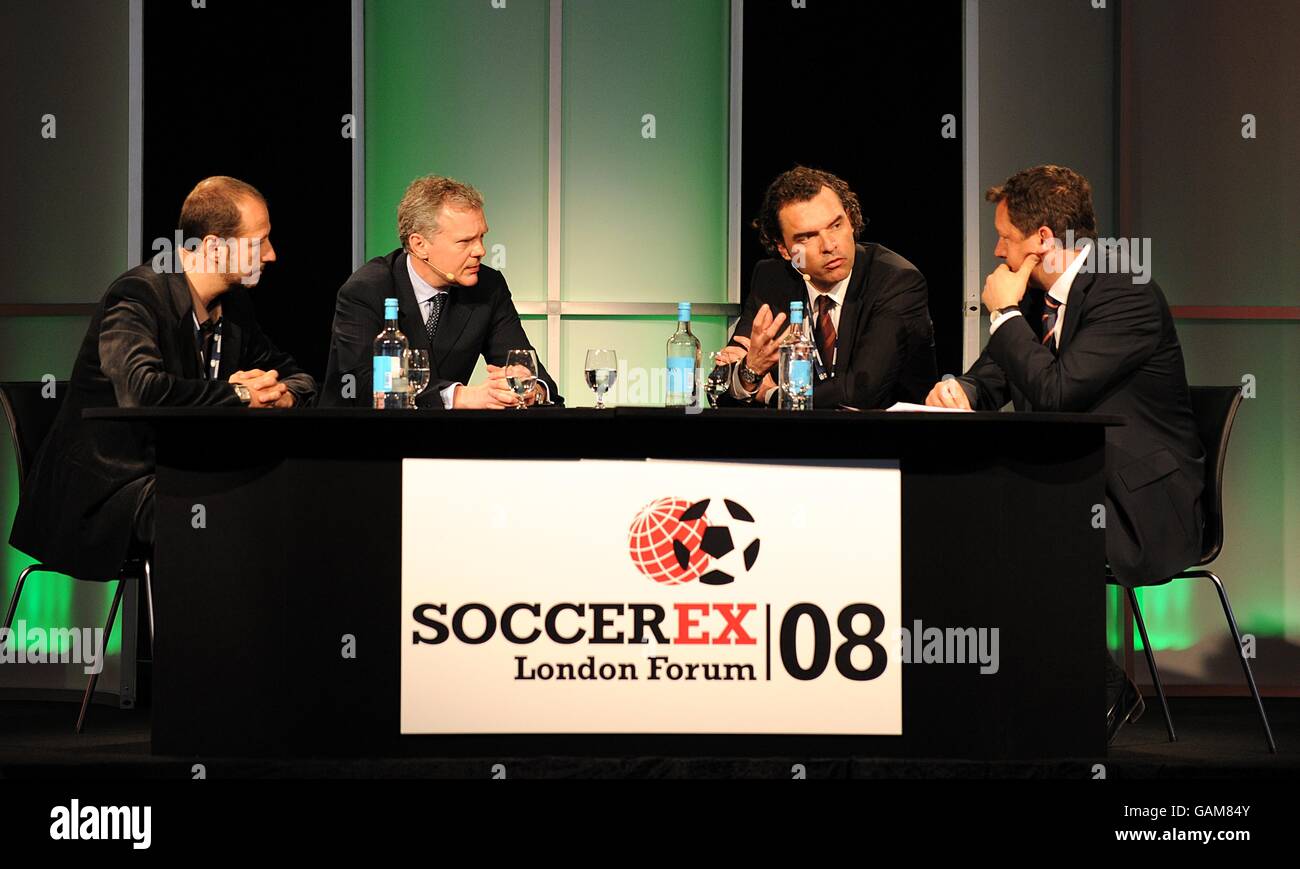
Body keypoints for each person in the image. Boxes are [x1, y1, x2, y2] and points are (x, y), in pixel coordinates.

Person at [925, 164, 1205, 744]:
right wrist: (962, 392)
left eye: (1006, 236)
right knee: (969, 509)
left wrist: (1001, 314)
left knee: (1013, 519)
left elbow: (1055, 392)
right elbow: (996, 377)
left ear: (1044, 241)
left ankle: (1097, 685)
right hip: (1074, 484)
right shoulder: (1043, 297)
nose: (998, 249)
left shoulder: (1125, 293)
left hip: (1143, 503)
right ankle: (1015, 692)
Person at [10, 176, 316, 579]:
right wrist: (240, 395)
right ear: (212, 247)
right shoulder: (137, 295)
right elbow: (141, 390)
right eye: (258, 242)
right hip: (110, 491)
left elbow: (298, 377)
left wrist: (283, 396)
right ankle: (198, 641)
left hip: (179, 475)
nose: (271, 255)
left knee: (280, 495)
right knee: (225, 511)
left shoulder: (235, 307)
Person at [320, 175, 560, 408]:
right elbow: (362, 386)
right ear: (419, 245)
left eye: (482, 237)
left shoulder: (488, 287)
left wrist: (530, 390)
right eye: (465, 241)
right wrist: (460, 397)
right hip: (361, 440)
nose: (481, 251)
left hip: (440, 442)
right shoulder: (367, 289)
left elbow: (534, 374)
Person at [719, 166, 936, 408]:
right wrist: (750, 371)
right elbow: (720, 386)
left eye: (835, 225)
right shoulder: (772, 281)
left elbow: (861, 392)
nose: (829, 245)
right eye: (806, 237)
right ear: (784, 249)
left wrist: (772, 395)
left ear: (851, 221)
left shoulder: (896, 281)